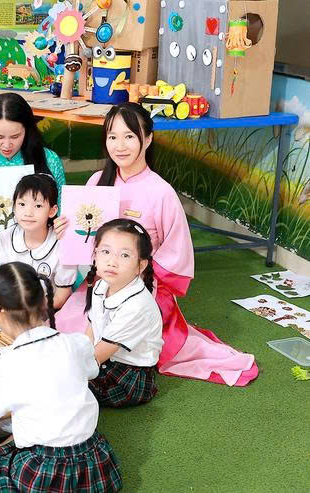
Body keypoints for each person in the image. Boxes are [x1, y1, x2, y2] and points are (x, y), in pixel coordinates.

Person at [55, 102, 257, 387]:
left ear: (147, 139)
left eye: (129, 136)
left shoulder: (161, 192)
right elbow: (86, 242)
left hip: (144, 287)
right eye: (112, 136)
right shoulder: (97, 180)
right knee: (66, 325)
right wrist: (67, 232)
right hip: (100, 283)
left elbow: (176, 253)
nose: (119, 146)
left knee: (114, 334)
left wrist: (136, 275)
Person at [0, 262, 122, 493]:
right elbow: (90, 371)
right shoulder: (76, 343)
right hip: (94, 465)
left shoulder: (2, 365)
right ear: (44, 301)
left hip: (41, 471)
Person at [84, 219, 163, 407]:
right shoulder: (101, 286)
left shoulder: (136, 306)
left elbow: (98, 356)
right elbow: (92, 329)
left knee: (63, 386)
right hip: (106, 358)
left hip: (129, 377)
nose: (112, 262)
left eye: (125, 255)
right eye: (106, 252)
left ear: (141, 266)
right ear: (95, 254)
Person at [0, 174, 76, 308]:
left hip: (44, 311)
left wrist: (27, 308)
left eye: (38, 206)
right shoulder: (5, 237)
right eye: (22, 204)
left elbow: (61, 297)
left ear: (52, 211)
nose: (28, 213)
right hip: (9, 308)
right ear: (14, 206)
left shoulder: (64, 245)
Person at [0, 92, 66, 210]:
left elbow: (61, 208)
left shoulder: (50, 160)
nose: (7, 145)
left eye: (15, 136)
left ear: (27, 130)